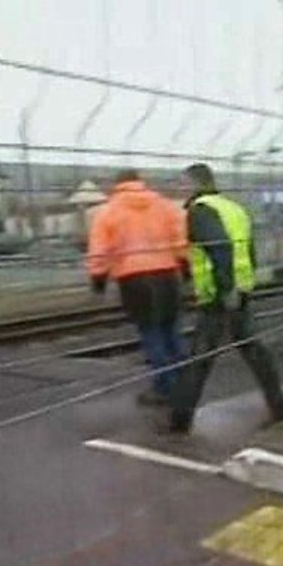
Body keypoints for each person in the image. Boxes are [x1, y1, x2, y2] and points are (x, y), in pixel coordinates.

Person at [162, 162, 283, 434]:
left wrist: (225, 289)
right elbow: (250, 251)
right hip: (239, 290)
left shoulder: (201, 211)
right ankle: (281, 409)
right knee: (254, 351)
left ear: (195, 184)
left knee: (200, 357)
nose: (180, 189)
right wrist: (244, 284)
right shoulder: (234, 208)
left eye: (183, 183)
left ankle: (179, 423)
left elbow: (220, 248)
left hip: (219, 295)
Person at [86, 169, 188, 405]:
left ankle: (164, 388)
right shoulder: (164, 206)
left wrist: (98, 280)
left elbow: (99, 250)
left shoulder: (108, 211)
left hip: (134, 279)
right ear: (140, 182)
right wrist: (185, 267)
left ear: (118, 184)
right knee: (171, 330)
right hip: (166, 274)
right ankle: (185, 383)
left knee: (151, 332)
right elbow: (180, 239)